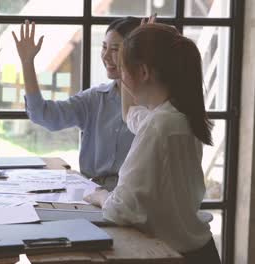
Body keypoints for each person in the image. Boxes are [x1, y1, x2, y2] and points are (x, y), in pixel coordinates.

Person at [84, 21, 221, 264]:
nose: (120, 77)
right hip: (200, 251)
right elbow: (131, 116)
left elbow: (120, 209)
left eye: (123, 68)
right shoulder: (179, 116)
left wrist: (100, 195)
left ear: (144, 72)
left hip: (173, 256)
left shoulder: (159, 126)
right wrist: (133, 46)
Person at [12, 17, 141, 191]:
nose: (106, 56)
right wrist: (27, 63)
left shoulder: (154, 105)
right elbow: (43, 115)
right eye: (104, 47)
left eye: (116, 49)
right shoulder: (94, 99)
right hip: (91, 194)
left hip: (132, 200)